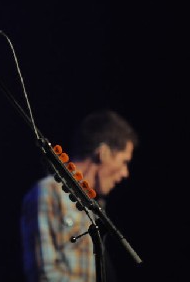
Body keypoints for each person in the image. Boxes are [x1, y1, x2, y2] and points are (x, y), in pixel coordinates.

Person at [20, 109, 139, 282]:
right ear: (103, 153)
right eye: (124, 162)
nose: (125, 173)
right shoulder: (48, 192)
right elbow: (44, 274)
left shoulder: (95, 207)